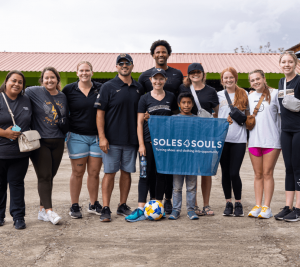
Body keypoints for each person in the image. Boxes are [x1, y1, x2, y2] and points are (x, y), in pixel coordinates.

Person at [95, 54, 144, 222]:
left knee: (127, 173)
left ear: (132, 65)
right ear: (116, 67)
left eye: (127, 63)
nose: (124, 65)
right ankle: (106, 207)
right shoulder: (108, 87)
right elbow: (100, 114)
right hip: (111, 140)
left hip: (131, 140)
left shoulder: (139, 87)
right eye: (121, 63)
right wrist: (102, 137)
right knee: (109, 173)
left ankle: (122, 205)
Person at [125, 68, 177, 222]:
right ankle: (141, 208)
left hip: (164, 144)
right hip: (147, 143)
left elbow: (174, 120)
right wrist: (141, 144)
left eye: (161, 79)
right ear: (151, 80)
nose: (158, 81)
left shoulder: (171, 97)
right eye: (155, 79)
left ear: (165, 80)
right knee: (144, 175)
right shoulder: (145, 98)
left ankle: (157, 206)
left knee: (161, 175)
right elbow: (139, 123)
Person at [138, 40, 183, 214]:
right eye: (157, 52)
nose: (161, 54)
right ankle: (151, 204)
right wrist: (145, 116)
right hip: (149, 136)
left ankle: (167, 200)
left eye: (164, 52)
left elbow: (179, 105)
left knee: (166, 171)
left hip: (168, 137)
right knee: (149, 172)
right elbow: (140, 105)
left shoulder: (177, 76)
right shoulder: (144, 78)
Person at [26, 67, 68, 225]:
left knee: (50, 176)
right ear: (42, 80)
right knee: (44, 177)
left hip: (58, 141)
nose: (49, 80)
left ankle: (42, 211)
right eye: (46, 78)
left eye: (52, 78)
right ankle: (50, 212)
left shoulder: (63, 96)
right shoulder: (33, 91)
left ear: (57, 79)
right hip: (41, 141)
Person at [62, 61, 103, 219]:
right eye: (81, 70)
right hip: (77, 136)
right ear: (77, 73)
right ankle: (74, 205)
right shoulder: (68, 90)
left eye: (87, 70)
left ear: (92, 72)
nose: (84, 73)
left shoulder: (100, 88)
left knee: (94, 172)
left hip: (97, 137)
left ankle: (93, 204)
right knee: (77, 172)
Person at [179, 63, 219, 216]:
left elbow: (216, 112)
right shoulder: (184, 90)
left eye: (198, 72)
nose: (195, 74)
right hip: (189, 136)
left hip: (206, 136)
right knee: (192, 171)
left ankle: (206, 204)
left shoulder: (211, 91)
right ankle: (194, 204)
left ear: (203, 74)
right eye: (192, 72)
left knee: (206, 171)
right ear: (188, 75)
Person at [247, 69, 281, 219]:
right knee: (257, 174)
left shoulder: (275, 94)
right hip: (254, 141)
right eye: (252, 80)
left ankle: (267, 207)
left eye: (257, 79)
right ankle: (258, 205)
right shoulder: (249, 96)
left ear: (264, 78)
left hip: (271, 141)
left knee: (268, 173)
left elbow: (282, 117)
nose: (255, 82)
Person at [0, 71, 32, 230]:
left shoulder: (26, 100)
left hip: (20, 152)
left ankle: (18, 217)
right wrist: (4, 133)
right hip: (0, 152)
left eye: (20, 82)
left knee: (17, 184)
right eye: (13, 80)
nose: (16, 84)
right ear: (6, 81)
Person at [217, 67, 249, 217]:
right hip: (223, 139)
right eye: (225, 78)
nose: (228, 80)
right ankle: (228, 203)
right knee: (225, 173)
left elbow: (248, 116)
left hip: (239, 140)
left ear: (236, 78)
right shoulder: (218, 95)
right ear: (222, 80)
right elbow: (214, 115)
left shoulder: (244, 94)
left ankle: (238, 202)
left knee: (234, 172)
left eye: (231, 77)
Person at [274, 51, 300, 222]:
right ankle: (288, 206)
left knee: (298, 169)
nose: (286, 65)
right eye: (284, 62)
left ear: (295, 63)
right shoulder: (281, 82)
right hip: (286, 130)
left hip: (299, 129)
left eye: (290, 62)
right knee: (289, 168)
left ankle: (298, 209)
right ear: (280, 64)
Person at [168, 92, 199, 220]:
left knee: (191, 187)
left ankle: (191, 210)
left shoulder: (197, 120)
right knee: (176, 187)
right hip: (177, 159)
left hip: (192, 159)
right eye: (184, 103)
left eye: (189, 103)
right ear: (179, 105)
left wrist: (225, 122)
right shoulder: (173, 119)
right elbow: (165, 133)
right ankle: (176, 210)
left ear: (192, 104)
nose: (186, 105)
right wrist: (150, 119)